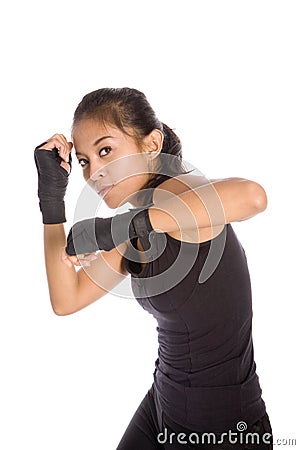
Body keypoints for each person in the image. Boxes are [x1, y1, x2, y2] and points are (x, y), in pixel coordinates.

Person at [34, 87, 273, 449]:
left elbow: (254, 196)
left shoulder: (181, 194)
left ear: (151, 144)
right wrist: (51, 200)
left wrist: (114, 229)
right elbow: (67, 299)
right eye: (84, 161)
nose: (94, 172)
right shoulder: (139, 227)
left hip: (222, 426)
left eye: (105, 151)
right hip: (163, 403)